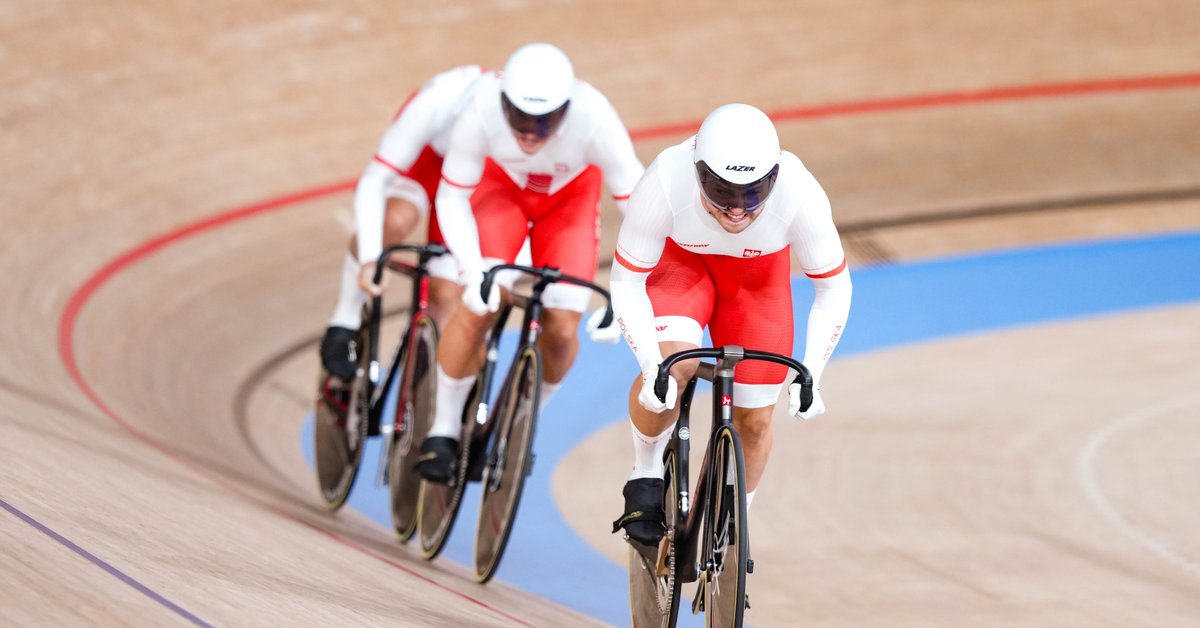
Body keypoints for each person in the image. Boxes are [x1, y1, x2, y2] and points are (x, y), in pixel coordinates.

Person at [607, 104, 853, 545]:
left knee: (756, 420)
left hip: (756, 288)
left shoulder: (800, 191)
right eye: (722, 191)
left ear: (774, 177)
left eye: (754, 193)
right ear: (698, 171)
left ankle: (732, 528)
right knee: (673, 368)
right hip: (683, 269)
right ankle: (644, 474)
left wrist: (813, 370)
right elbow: (626, 282)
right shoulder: (665, 178)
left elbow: (834, 288)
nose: (737, 210)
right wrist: (650, 366)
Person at [415, 42, 646, 481]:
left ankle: (520, 423)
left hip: (569, 203)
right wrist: (473, 270)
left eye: (543, 122)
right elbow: (452, 196)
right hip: (501, 191)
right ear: (503, 101)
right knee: (483, 303)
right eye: (519, 118)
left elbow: (643, 213)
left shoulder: (595, 119)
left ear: (567, 108)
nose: (529, 131)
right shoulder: (481, 109)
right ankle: (443, 430)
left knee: (561, 332)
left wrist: (626, 295)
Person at [319, 64, 486, 383]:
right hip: (427, 161)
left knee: (446, 295)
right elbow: (373, 182)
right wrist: (371, 257)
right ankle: (345, 320)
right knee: (393, 222)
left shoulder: (515, 126)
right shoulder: (434, 103)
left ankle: (420, 393)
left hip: (472, 177)